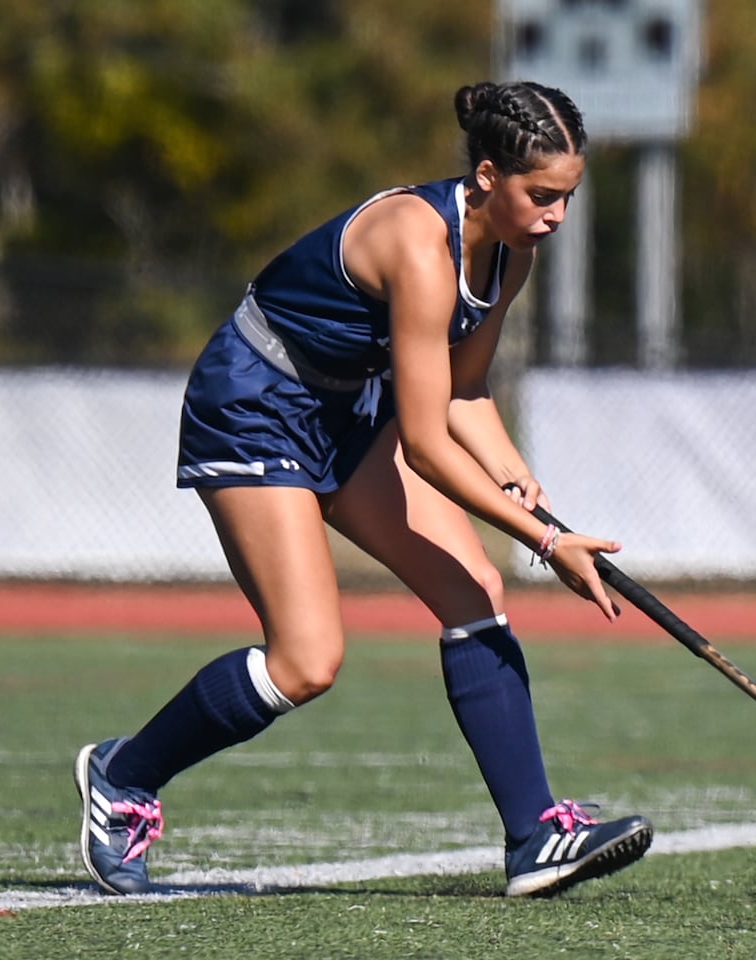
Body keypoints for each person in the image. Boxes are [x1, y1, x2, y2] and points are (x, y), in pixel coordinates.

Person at [73, 80, 652, 899]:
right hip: (257, 403)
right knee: (306, 661)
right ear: (489, 176)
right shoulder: (419, 245)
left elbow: (464, 391)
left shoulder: (510, 251)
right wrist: (547, 541)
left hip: (347, 406)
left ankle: (533, 838)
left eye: (568, 198)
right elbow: (425, 446)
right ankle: (123, 775)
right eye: (542, 196)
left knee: (475, 592)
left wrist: (520, 480)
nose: (556, 215)